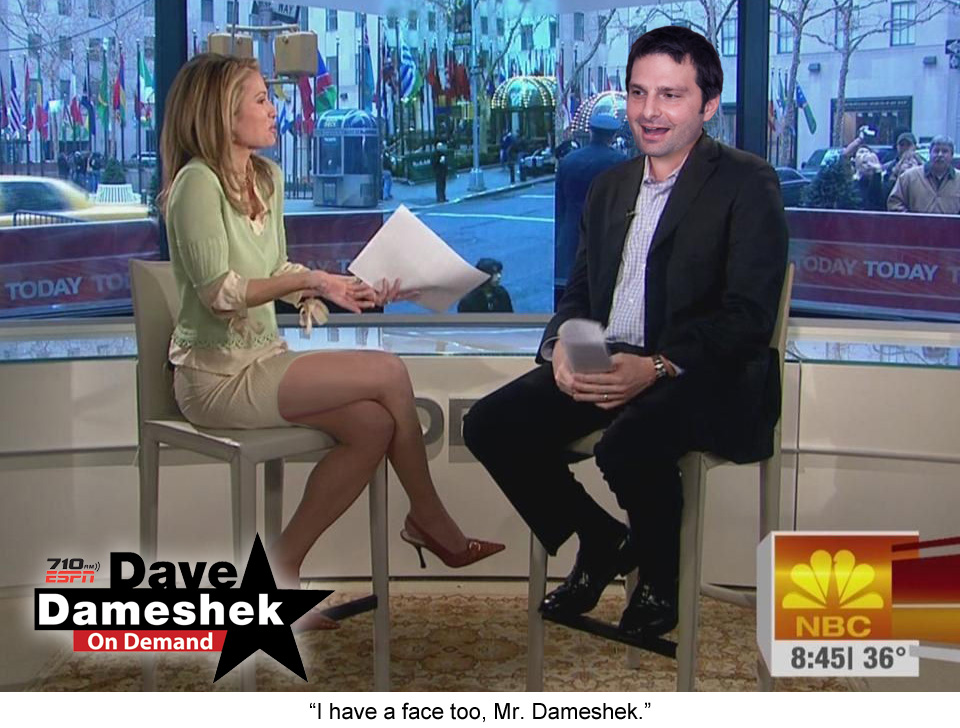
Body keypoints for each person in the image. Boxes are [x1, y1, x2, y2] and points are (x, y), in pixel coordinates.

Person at [158, 54, 503, 631]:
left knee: (373, 425)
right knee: (389, 372)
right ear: (222, 113)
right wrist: (314, 282)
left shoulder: (266, 178)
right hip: (215, 376)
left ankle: (278, 574)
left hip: (263, 358)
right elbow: (221, 293)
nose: (275, 109)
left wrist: (342, 288)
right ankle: (429, 519)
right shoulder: (197, 183)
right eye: (260, 99)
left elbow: (275, 270)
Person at [463, 26, 788, 639]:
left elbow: (748, 315)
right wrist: (561, 345)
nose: (648, 111)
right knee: (489, 424)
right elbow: (580, 292)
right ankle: (599, 537)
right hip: (612, 359)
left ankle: (659, 579)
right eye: (639, 93)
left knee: (627, 442)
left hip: (703, 372)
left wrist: (659, 366)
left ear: (708, 105)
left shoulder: (747, 183)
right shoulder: (610, 186)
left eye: (670, 95)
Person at [553, 112, 627, 305]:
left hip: (572, 232)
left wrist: (561, 234)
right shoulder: (619, 162)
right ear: (612, 136)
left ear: (591, 132)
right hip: (604, 232)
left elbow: (560, 204)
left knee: (571, 287)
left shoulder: (568, 161)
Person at [887, 135, 960, 214]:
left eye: (945, 151)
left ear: (952, 155)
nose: (940, 155)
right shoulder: (909, 177)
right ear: (930, 153)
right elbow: (894, 203)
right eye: (936, 151)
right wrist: (909, 219)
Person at [882, 132, 919, 198]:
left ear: (915, 146)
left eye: (908, 145)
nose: (905, 148)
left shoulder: (922, 164)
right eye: (902, 145)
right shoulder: (890, 166)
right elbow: (885, 192)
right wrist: (896, 174)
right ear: (897, 147)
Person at [853, 147, 885, 211]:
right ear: (854, 159)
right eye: (861, 152)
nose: (866, 154)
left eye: (868, 152)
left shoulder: (883, 181)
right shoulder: (849, 182)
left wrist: (877, 172)